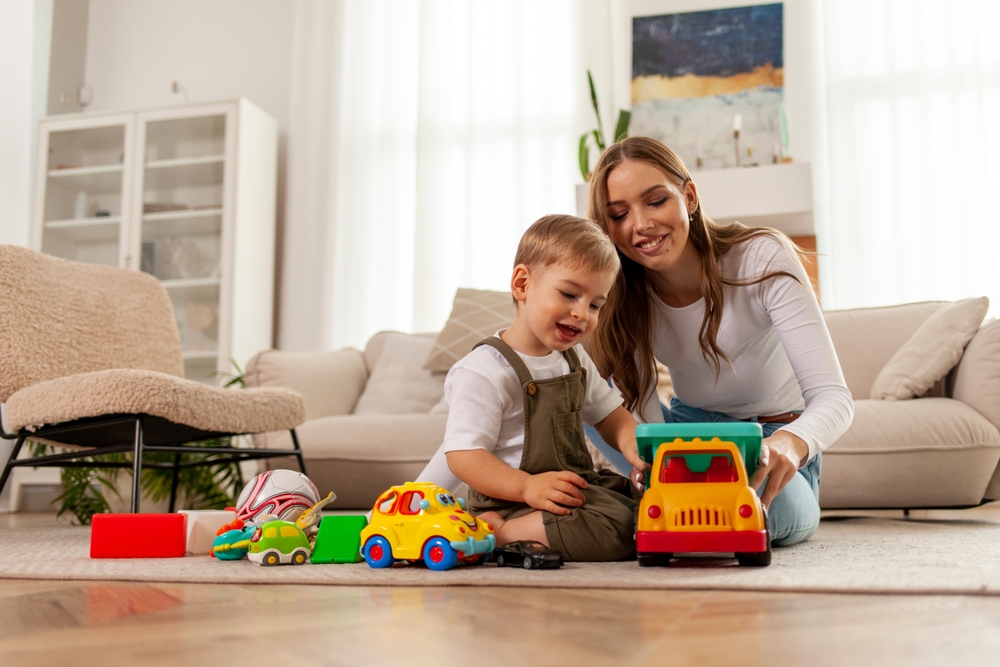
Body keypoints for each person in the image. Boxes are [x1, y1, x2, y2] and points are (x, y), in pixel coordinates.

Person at [583, 136, 854, 547]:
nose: (640, 224)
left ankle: (666, 511)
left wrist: (789, 445)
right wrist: (659, 461)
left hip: (767, 443)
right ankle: (673, 502)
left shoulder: (761, 258)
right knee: (582, 382)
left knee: (760, 506)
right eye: (619, 214)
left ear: (689, 196)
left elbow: (834, 399)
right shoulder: (625, 294)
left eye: (655, 201)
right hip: (685, 435)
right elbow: (640, 409)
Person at [417, 214, 649, 561]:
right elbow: (463, 457)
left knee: (643, 510)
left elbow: (611, 416)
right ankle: (499, 535)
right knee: (614, 533)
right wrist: (527, 486)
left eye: (595, 304)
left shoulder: (574, 359)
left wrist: (635, 447)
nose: (582, 314)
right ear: (522, 284)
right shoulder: (483, 370)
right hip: (512, 503)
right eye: (569, 294)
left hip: (570, 489)